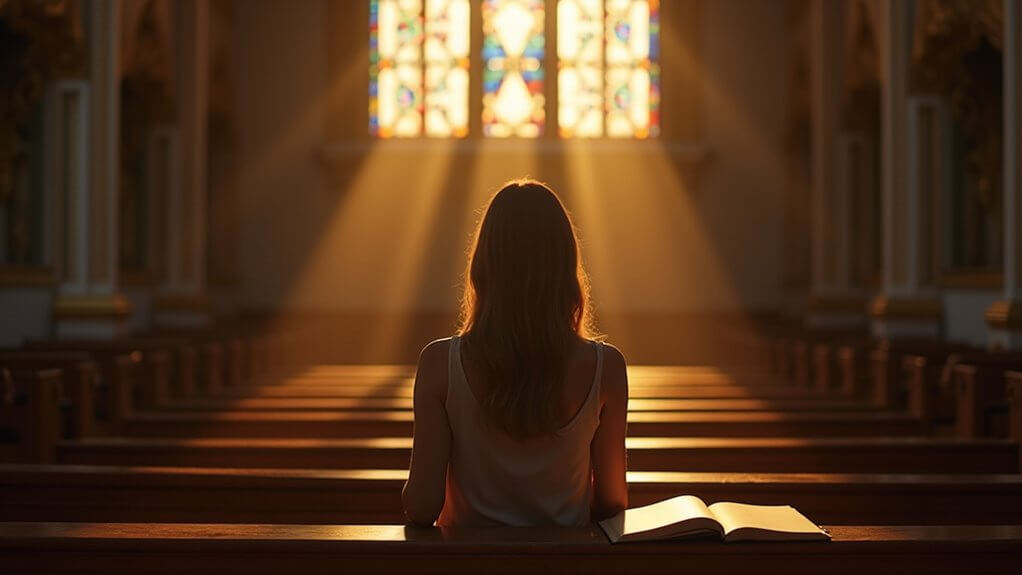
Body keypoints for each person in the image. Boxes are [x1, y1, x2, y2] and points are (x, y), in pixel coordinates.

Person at [401, 179, 629, 527]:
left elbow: (422, 507)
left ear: (484, 265)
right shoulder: (605, 366)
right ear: (565, 266)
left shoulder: (439, 364)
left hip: (467, 556)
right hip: (566, 556)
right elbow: (612, 501)